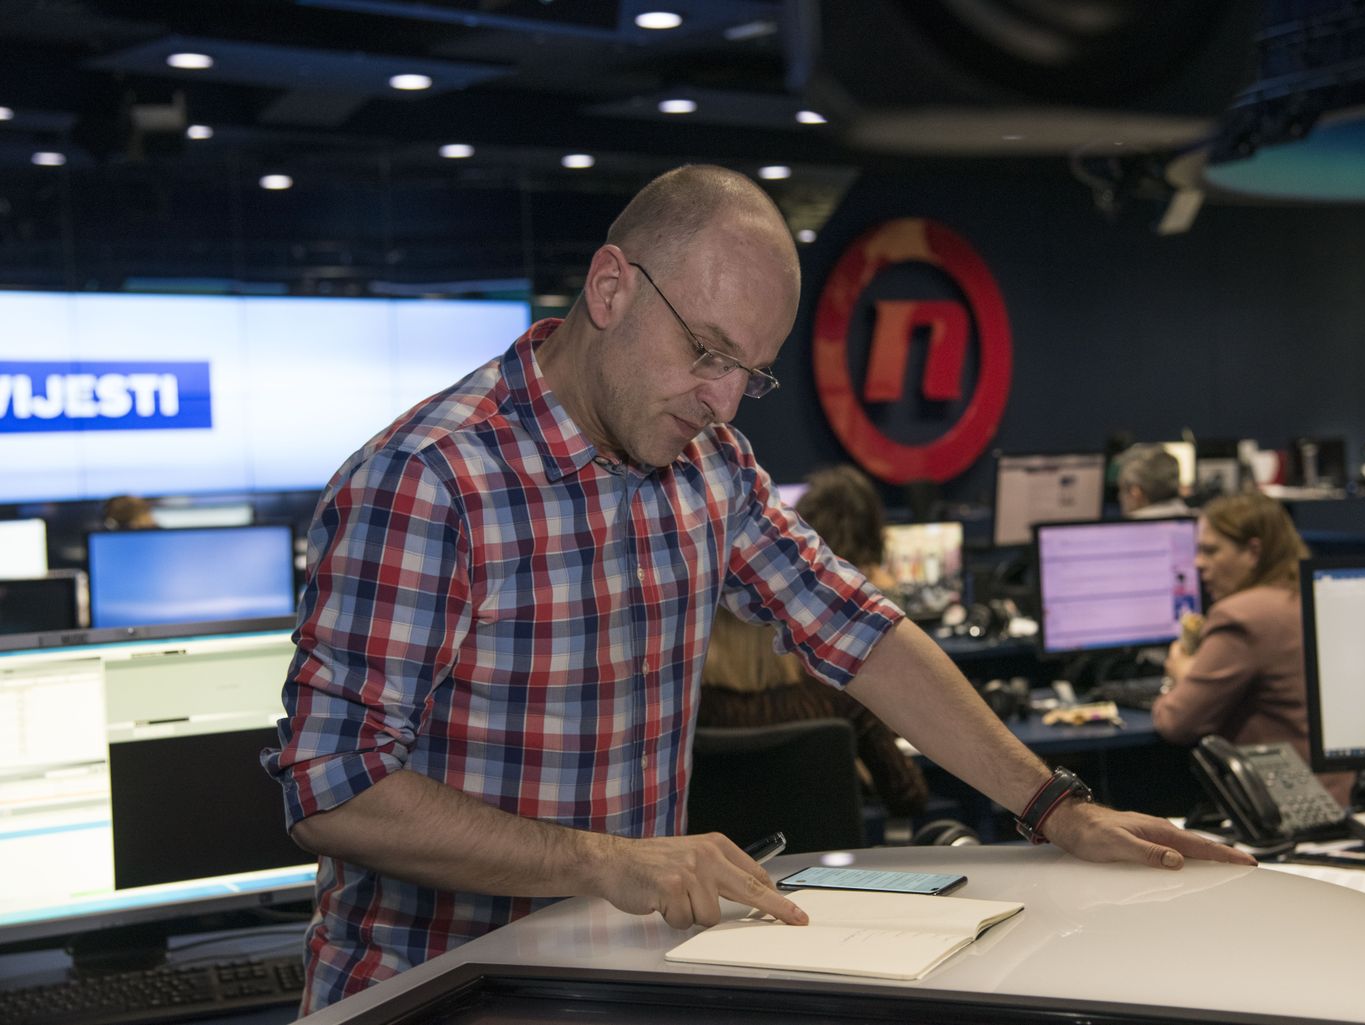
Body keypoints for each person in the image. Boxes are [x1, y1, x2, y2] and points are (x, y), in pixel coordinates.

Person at [263, 164, 1251, 1013]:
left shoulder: (711, 467)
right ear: (610, 288)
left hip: (611, 980)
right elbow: (334, 788)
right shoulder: (430, 479)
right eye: (705, 351)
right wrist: (603, 858)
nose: (724, 400)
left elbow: (860, 632)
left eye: (750, 371)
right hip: (435, 992)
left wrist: (1054, 803)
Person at [698, 464, 924, 817]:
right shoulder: (838, 700)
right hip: (828, 853)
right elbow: (909, 797)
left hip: (717, 853)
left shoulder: (688, 711)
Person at [1153, 493, 1353, 806]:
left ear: (1253, 551)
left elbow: (1177, 722)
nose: (1198, 563)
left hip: (1280, 802)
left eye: (1211, 550)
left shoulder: (1241, 615)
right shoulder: (1312, 594)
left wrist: (1181, 676)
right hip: (1338, 789)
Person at [1115, 444, 1190, 518]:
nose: (1119, 497)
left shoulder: (1126, 525)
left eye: (1121, 490)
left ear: (1135, 493)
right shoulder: (1192, 518)